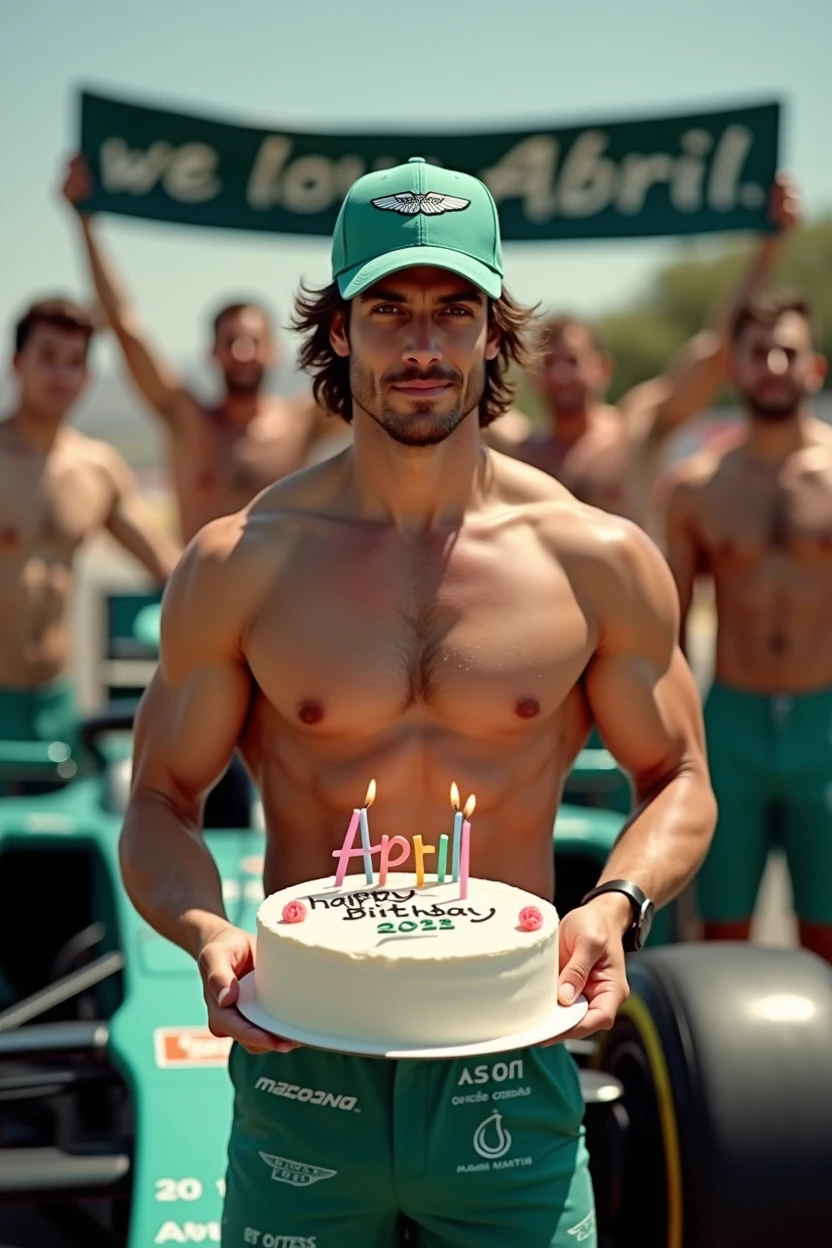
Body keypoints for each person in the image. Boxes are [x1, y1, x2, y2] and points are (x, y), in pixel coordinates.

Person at [120, 157, 716, 1247]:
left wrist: (615, 904)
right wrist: (205, 931)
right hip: (302, 1062)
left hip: (506, 1058)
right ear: (339, 329)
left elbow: (675, 778)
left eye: (454, 310)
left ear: (495, 330)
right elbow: (160, 796)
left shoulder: (595, 559)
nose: (423, 346)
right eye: (388, 310)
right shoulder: (242, 563)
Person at [664, 288, 832, 966]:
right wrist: (674, 748)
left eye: (787, 351)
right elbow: (669, 635)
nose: (772, 364)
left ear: (812, 368)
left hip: (826, 722)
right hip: (728, 724)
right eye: (758, 352)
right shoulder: (696, 487)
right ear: (734, 368)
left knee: (825, 937)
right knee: (722, 940)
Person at [61, 155, 338, 545]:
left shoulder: (302, 423)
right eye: (230, 342)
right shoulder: (187, 420)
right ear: (212, 353)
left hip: (284, 602)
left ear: (274, 351)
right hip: (200, 601)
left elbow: (373, 376)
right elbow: (125, 327)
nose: (242, 352)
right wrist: (85, 222)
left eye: (253, 342)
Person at [504, 176, 801, 539]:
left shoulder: (636, 430)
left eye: (574, 362)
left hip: (622, 596)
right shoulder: (517, 449)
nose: (563, 375)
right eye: (550, 364)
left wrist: (769, 247)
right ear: (533, 375)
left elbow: (716, 349)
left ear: (602, 368)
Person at [0, 297, 180, 755]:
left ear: (88, 376)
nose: (61, 375)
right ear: (17, 363)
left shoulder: (96, 469)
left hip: (57, 701)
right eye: (48, 358)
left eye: (74, 362)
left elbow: (169, 566)